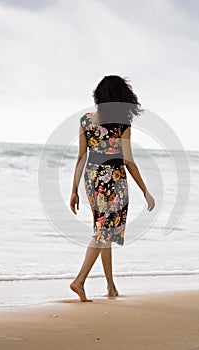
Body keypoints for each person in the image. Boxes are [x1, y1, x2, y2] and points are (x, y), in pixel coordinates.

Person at [69, 75, 155, 302]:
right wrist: (146, 191)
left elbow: (81, 157)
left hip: (91, 179)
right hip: (113, 181)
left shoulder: (86, 120)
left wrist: (74, 189)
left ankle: (110, 287)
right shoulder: (122, 125)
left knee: (103, 232)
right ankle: (79, 281)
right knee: (102, 233)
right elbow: (128, 161)